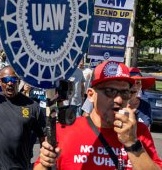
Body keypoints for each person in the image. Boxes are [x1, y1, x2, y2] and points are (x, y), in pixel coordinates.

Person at [34, 61, 162, 169]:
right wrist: (45, 163)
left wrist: (132, 143)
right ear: (91, 95)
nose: (118, 100)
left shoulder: (139, 131)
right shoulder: (65, 130)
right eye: (110, 91)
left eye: (124, 93)